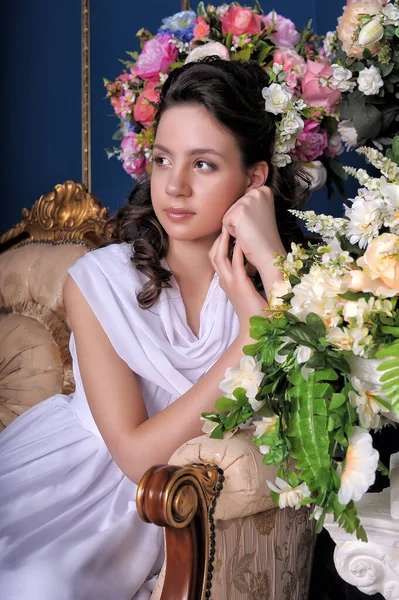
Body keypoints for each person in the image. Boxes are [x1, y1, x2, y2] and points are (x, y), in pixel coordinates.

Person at [0, 57, 308, 600]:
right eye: (163, 160)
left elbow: (314, 393)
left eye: (205, 165)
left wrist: (275, 263)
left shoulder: (297, 276)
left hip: (176, 495)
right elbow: (137, 458)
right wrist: (250, 338)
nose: (176, 187)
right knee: (33, 581)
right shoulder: (99, 281)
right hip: (78, 480)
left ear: (255, 178)